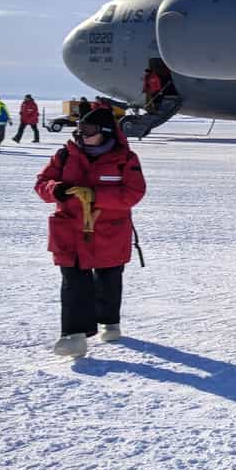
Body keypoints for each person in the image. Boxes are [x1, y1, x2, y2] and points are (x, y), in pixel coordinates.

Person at [34, 107, 146, 358]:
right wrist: (57, 190)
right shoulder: (65, 155)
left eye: (89, 131)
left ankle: (109, 321)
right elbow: (42, 183)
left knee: (108, 279)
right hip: (70, 231)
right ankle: (74, 336)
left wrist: (96, 195)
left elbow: (133, 193)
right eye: (80, 130)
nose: (82, 136)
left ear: (105, 133)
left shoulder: (125, 159)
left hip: (109, 232)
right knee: (74, 282)